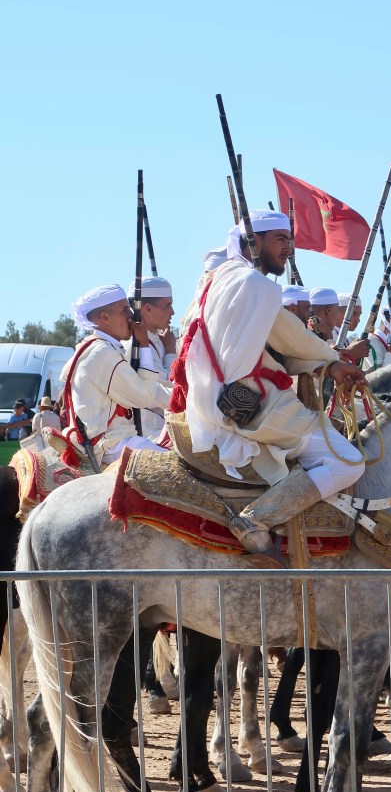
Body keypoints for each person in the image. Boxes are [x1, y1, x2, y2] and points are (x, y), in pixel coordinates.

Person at [179, 209, 366, 554]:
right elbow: (290, 335)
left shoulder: (215, 280)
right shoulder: (256, 285)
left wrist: (329, 363)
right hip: (257, 406)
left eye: (290, 240)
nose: (288, 248)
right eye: (280, 239)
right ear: (254, 241)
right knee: (348, 462)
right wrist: (334, 361)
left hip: (211, 402)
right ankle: (256, 518)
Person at [62, 284, 171, 466]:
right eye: (125, 310)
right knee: (178, 468)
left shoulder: (96, 348)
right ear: (105, 318)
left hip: (112, 441)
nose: (133, 316)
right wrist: (143, 343)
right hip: (112, 445)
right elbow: (144, 398)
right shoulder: (102, 352)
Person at [122, 276, 177, 439]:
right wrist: (170, 352)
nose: (172, 312)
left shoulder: (158, 340)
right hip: (148, 434)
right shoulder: (135, 346)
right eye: (167, 305)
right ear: (147, 309)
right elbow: (166, 391)